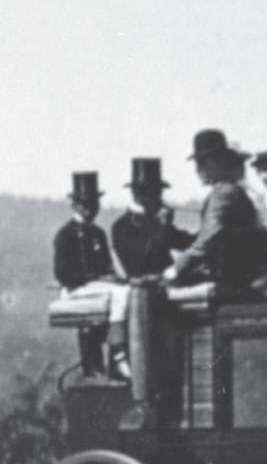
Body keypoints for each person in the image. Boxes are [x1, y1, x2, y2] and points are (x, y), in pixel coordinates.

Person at [167, 130, 265, 292]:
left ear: (218, 161)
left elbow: (208, 239)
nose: (197, 170)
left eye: (202, 163)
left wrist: (175, 269)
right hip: (242, 277)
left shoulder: (223, 193)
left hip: (233, 282)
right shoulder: (230, 191)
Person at [52, 171, 124, 374]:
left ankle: (115, 365)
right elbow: (62, 273)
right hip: (77, 288)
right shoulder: (66, 235)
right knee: (96, 320)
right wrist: (94, 278)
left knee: (119, 301)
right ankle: (98, 368)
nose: (90, 209)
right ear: (75, 205)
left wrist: (111, 276)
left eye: (93, 204)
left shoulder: (98, 234)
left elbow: (106, 265)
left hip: (99, 288)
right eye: (84, 204)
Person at [111, 157, 194, 279]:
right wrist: (162, 226)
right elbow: (141, 261)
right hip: (144, 290)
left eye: (159, 193)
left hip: (167, 284)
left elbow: (185, 242)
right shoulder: (122, 226)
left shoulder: (155, 220)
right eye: (156, 193)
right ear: (138, 194)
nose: (160, 198)